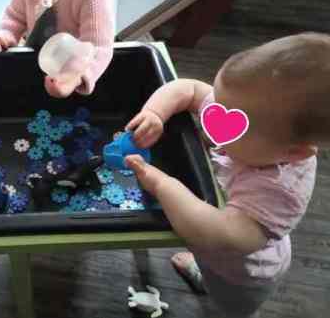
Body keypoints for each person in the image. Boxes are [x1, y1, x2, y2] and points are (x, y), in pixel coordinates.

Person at [125, 33, 330, 317]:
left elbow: (220, 235)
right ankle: (201, 269)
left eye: (236, 128)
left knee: (230, 307)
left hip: (242, 274)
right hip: (208, 245)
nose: (213, 120)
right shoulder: (247, 112)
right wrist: (155, 113)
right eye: (218, 106)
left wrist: (161, 184)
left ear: (294, 153)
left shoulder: (279, 191)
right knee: (206, 259)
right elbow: (188, 89)